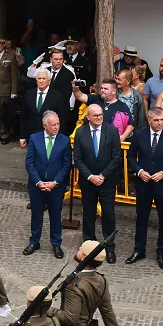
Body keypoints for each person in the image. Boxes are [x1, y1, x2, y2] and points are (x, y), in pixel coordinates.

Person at [126, 107, 163, 269]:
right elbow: (130, 156)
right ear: (149, 120)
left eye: (162, 119)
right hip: (143, 184)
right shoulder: (139, 134)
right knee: (142, 218)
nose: (160, 123)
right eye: (157, 120)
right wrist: (139, 171)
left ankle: (161, 252)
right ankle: (139, 250)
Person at [73, 105, 122, 263]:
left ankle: (109, 248)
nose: (99, 118)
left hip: (106, 182)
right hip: (88, 183)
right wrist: (90, 176)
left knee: (108, 215)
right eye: (95, 115)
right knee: (88, 215)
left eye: (101, 115)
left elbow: (116, 157)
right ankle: (89, 247)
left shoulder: (112, 131)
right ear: (88, 117)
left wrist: (102, 175)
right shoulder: (81, 133)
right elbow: (78, 159)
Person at [24, 111, 72, 258]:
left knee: (56, 214)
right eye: (53, 125)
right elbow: (29, 162)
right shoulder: (34, 138)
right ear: (45, 125)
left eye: (58, 124)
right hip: (36, 185)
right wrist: (38, 182)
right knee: (36, 214)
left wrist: (55, 182)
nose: (57, 127)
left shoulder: (64, 141)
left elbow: (66, 165)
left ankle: (56, 243)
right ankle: (34, 241)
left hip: (55, 186)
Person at [20, 68, 71, 143]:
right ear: (36, 80)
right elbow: (24, 116)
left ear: (49, 81)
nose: (41, 81)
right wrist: (22, 137)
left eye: (43, 78)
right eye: (39, 78)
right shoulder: (28, 94)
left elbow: (62, 118)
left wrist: (60, 137)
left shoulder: (57, 96)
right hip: (31, 135)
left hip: (50, 135)